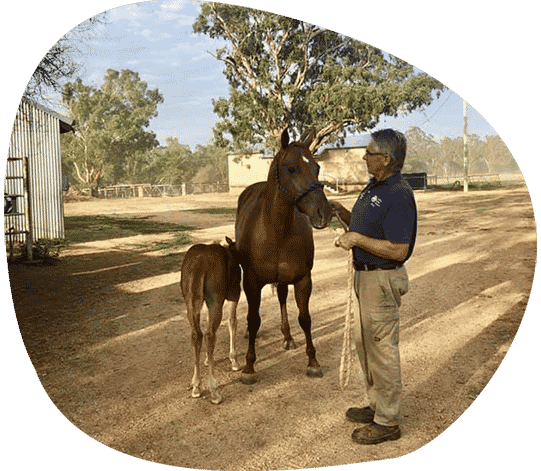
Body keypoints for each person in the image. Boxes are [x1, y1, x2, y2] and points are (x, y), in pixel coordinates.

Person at [331, 128, 417, 445]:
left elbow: (398, 249)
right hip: (364, 277)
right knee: (364, 345)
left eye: (369, 153)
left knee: (381, 350)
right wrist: (344, 216)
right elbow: (368, 228)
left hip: (380, 279)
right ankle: (376, 405)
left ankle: (388, 421)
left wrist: (354, 239)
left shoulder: (398, 193)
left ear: (386, 159)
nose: (364, 157)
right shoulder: (375, 186)